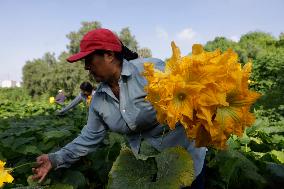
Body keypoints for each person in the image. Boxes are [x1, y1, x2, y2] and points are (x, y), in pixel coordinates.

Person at [32, 28, 207, 188]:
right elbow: (89, 137)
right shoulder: (99, 100)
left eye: (89, 59)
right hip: (145, 170)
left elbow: (194, 95)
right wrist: (55, 159)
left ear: (109, 55)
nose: (86, 66)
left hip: (185, 163)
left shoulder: (151, 71)